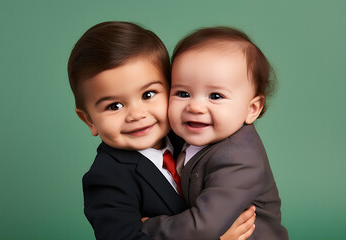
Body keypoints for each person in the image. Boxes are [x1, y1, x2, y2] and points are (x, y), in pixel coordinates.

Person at [68, 21, 255, 240]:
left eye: (148, 94)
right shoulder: (107, 179)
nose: (136, 114)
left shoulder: (189, 136)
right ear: (89, 120)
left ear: (173, 87)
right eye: (114, 106)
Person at [142, 27, 289, 239]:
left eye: (216, 96)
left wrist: (148, 228)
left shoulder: (240, 159)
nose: (196, 107)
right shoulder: (187, 137)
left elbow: (204, 225)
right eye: (183, 93)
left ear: (252, 109)